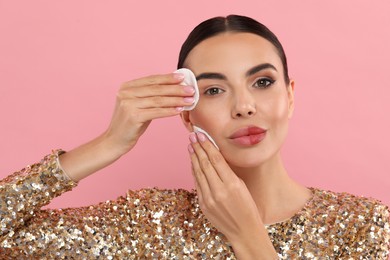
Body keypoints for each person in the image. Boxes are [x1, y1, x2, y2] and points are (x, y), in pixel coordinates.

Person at [0, 14, 389, 259]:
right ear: (187, 114)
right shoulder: (146, 223)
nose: (244, 106)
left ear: (289, 95)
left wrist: (250, 240)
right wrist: (109, 143)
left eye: (263, 82)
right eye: (215, 90)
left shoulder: (366, 226)